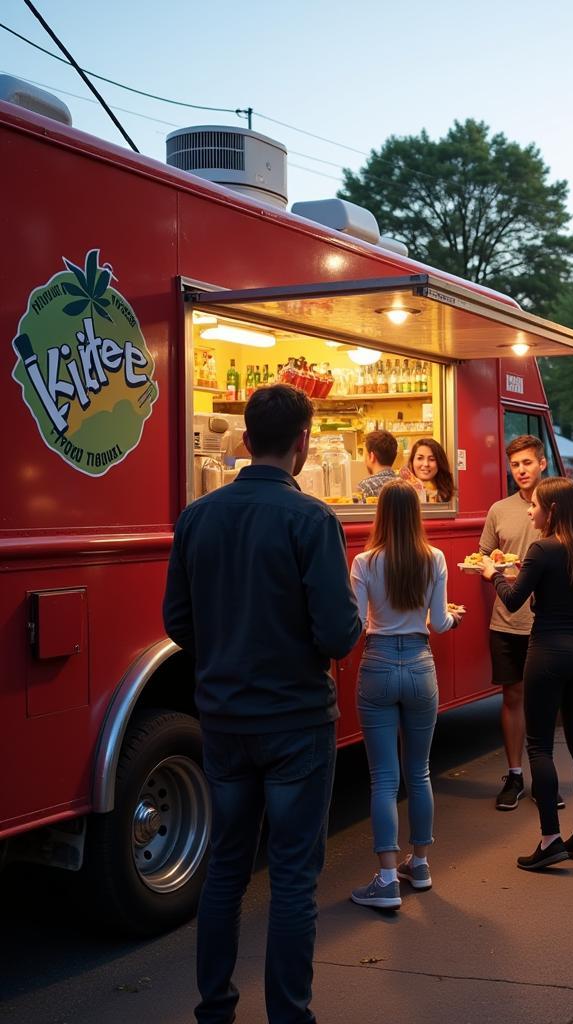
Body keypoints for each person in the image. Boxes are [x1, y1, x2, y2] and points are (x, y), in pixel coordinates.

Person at [163, 384, 362, 1024]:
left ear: (246, 442)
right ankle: (288, 1015)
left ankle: (215, 1008)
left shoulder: (197, 517)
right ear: (303, 443)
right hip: (297, 721)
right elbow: (336, 633)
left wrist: (224, 658)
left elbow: (177, 621)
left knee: (225, 868)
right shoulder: (312, 520)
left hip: (222, 720)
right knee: (293, 878)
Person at [348, 480, 462, 910]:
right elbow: (438, 623)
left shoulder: (363, 561)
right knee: (420, 772)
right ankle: (422, 864)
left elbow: (357, 625)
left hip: (377, 664)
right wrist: (454, 617)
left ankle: (386, 878)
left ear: (380, 514)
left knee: (383, 778)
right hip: (419, 664)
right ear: (416, 514)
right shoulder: (434, 558)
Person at [482, 476, 573, 869]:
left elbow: (514, 601)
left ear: (551, 510)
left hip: (549, 649)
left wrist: (494, 574)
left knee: (539, 745)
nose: (530, 510)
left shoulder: (542, 548)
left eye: (535, 505)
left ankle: (550, 839)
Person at [481, 434, 547, 811]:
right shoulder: (499, 509)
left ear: (542, 463)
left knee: (543, 700)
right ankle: (515, 774)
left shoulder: (558, 505)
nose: (521, 470)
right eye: (515, 464)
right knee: (512, 697)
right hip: (506, 619)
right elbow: (483, 556)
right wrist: (494, 567)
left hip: (545, 621)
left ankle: (544, 777)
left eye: (527, 463)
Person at [401, 437, 455, 503]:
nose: (426, 464)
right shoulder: (401, 491)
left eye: (432, 459)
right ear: (412, 461)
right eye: (420, 458)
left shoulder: (451, 495)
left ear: (440, 462)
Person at [358, 429, 400, 498]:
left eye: (364, 454)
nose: (364, 460)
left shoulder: (365, 487)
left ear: (371, 456)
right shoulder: (406, 485)